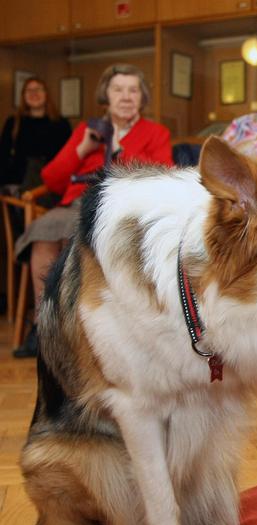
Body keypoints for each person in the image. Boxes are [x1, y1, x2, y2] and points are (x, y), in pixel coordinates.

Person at [13, 64, 173, 358]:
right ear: (106, 96)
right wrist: (82, 149)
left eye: (133, 90)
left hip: (124, 207)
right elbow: (51, 179)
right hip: (77, 202)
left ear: (142, 98)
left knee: (85, 232)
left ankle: (86, 327)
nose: (126, 97)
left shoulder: (155, 132)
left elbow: (164, 175)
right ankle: (43, 325)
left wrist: (121, 149)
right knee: (46, 230)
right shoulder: (86, 131)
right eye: (118, 90)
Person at [0, 77, 71, 195]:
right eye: (29, 90)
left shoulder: (61, 124)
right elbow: (3, 155)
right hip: (17, 187)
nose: (34, 93)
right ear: (23, 96)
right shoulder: (12, 123)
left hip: (51, 186)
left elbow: (68, 158)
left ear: (46, 94)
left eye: (38, 89)